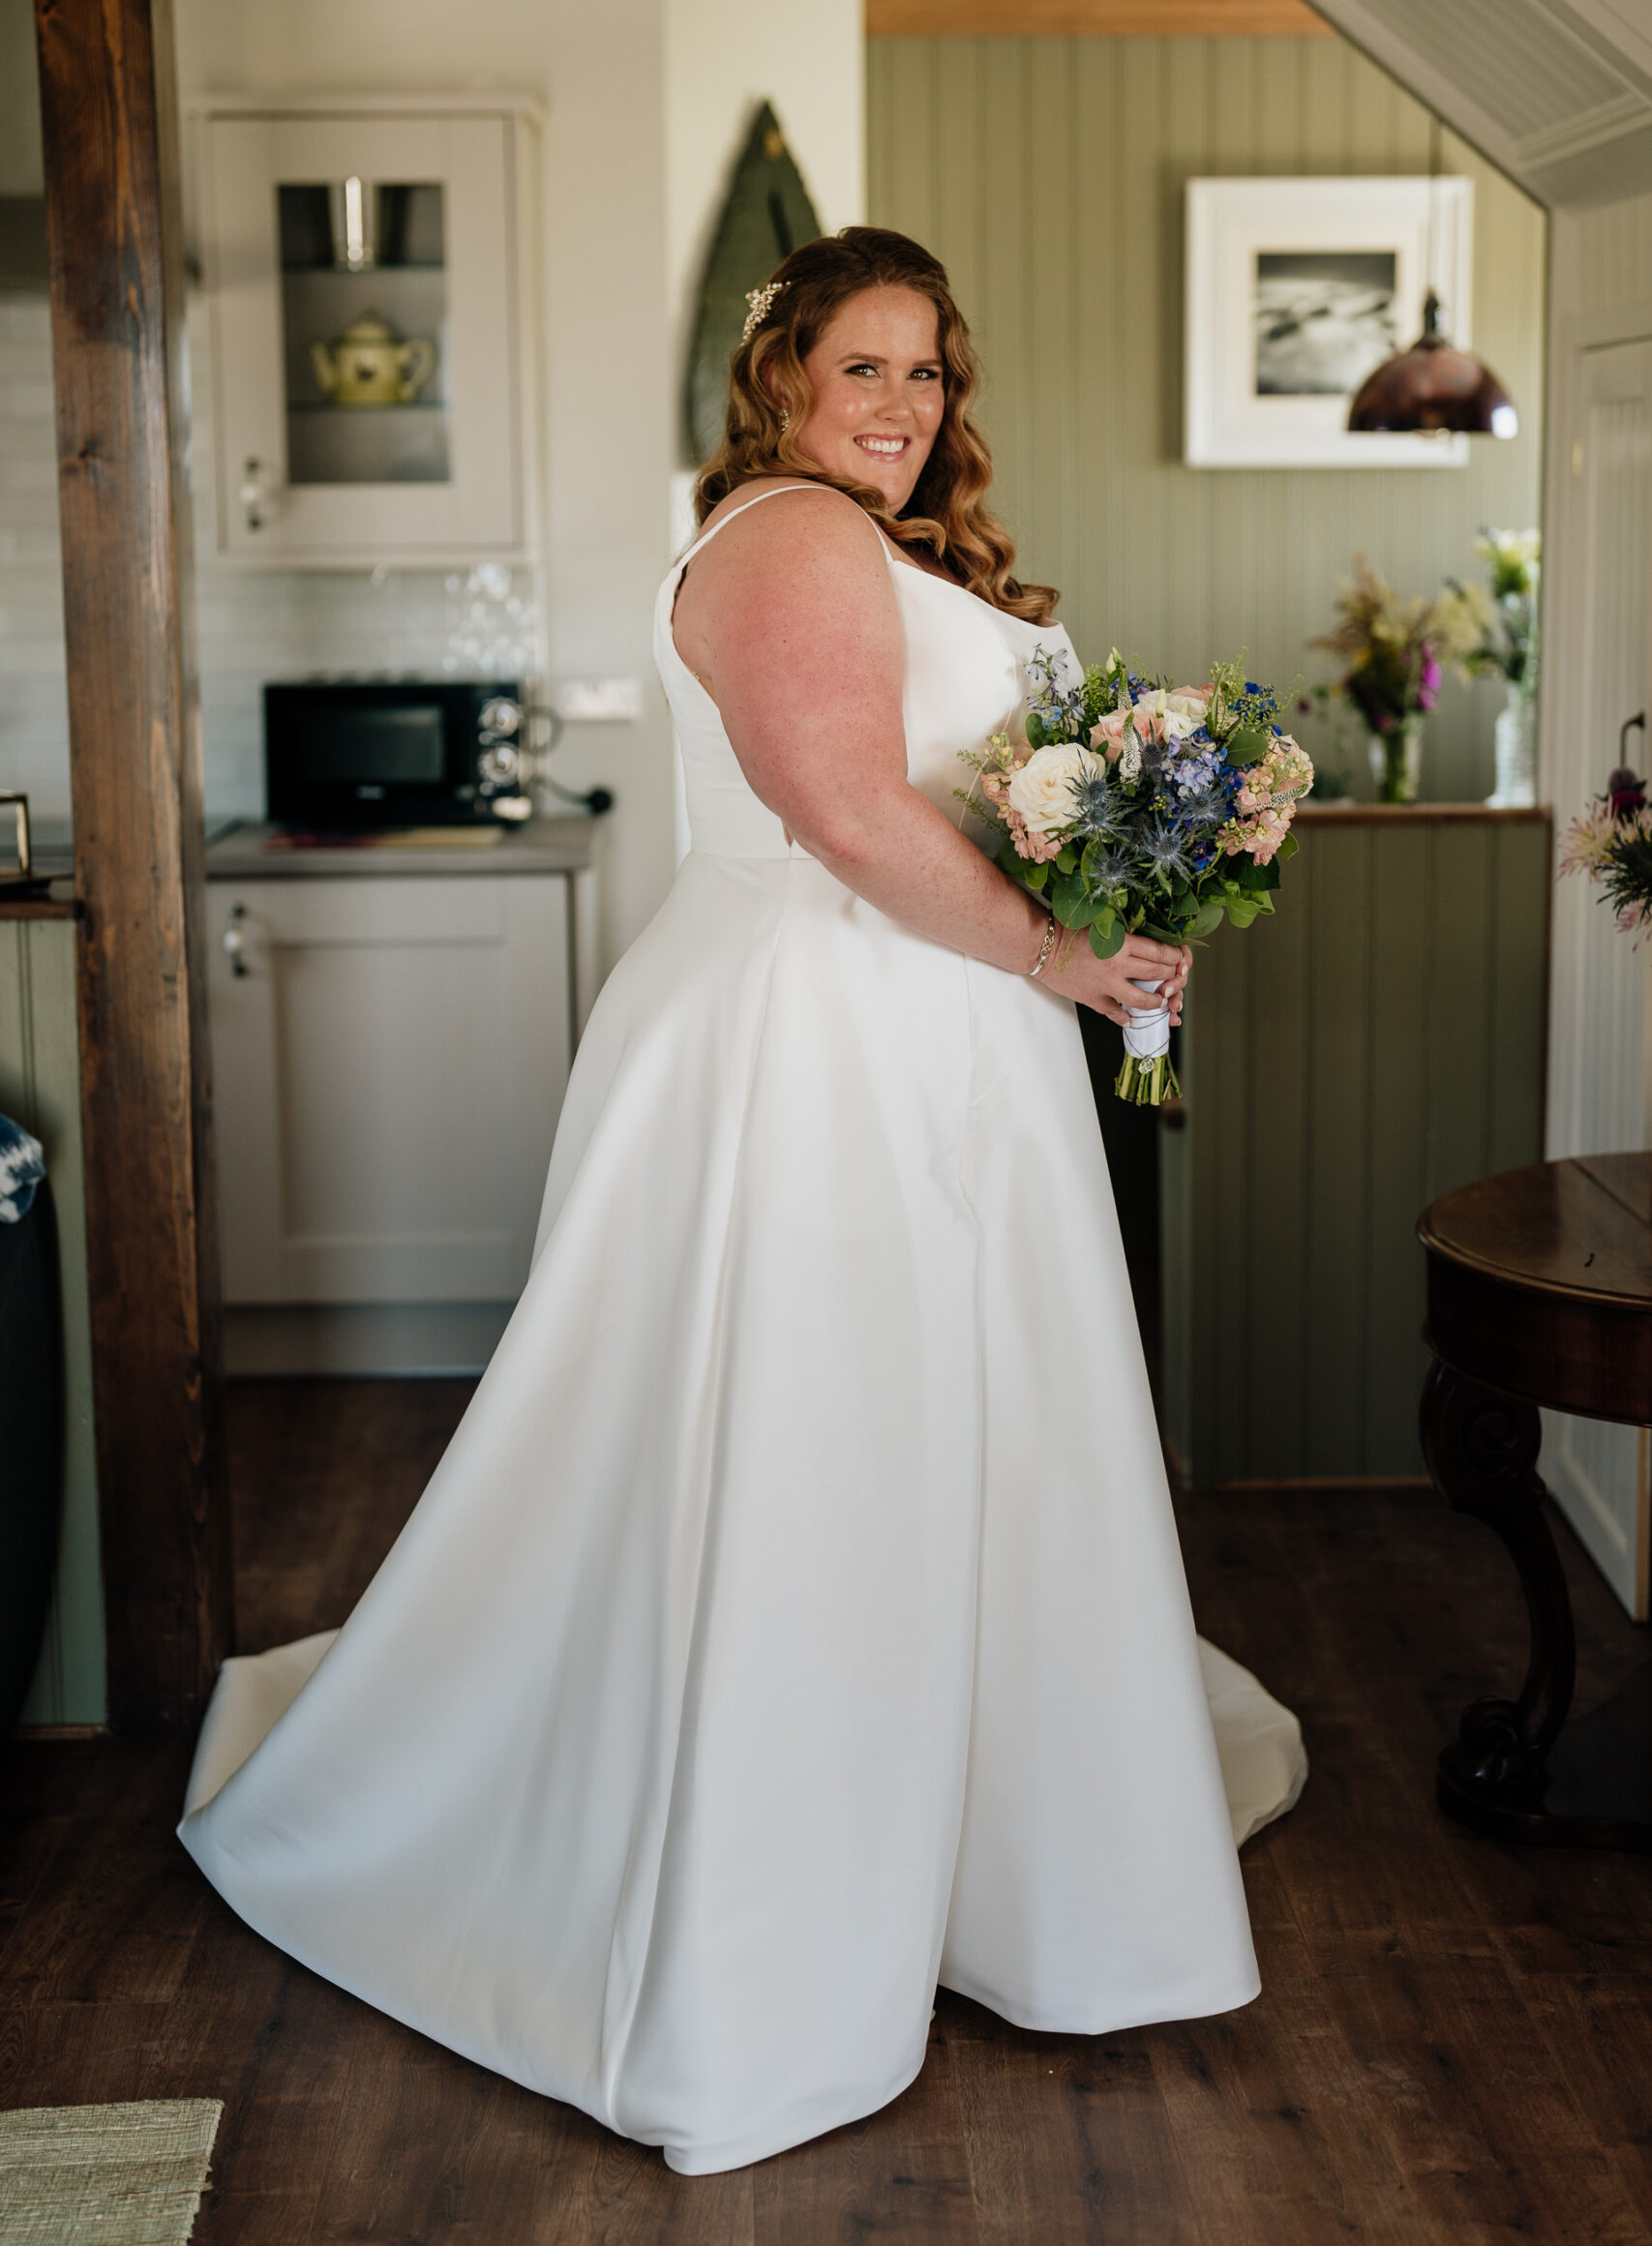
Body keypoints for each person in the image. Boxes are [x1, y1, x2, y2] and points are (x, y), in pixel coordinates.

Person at [180, 225, 1306, 2176]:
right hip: (826, 1038)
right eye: (859, 365)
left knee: (966, 1435)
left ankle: (979, 1855)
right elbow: (850, 814)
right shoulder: (783, 534)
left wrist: (1117, 894)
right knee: (826, 1439)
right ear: (778, 376)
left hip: (951, 1034)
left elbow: (965, 800)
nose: (897, 404)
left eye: (927, 372)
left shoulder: (901, 553)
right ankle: (781, 1903)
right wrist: (1059, 961)